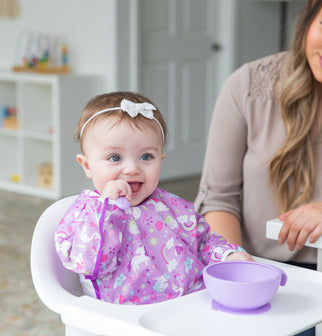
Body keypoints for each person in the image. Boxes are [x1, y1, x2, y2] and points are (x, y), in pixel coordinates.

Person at [195, 0, 322, 336]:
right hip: (243, 266)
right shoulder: (247, 86)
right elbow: (219, 198)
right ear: (310, 13)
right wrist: (236, 274)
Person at [55, 91, 251, 306]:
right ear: (87, 166)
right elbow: (89, 262)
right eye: (115, 158)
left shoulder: (173, 207)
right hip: (130, 320)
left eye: (146, 156)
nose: (132, 169)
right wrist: (109, 208)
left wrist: (228, 256)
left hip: (193, 305)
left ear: (160, 159)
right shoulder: (87, 214)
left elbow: (203, 242)